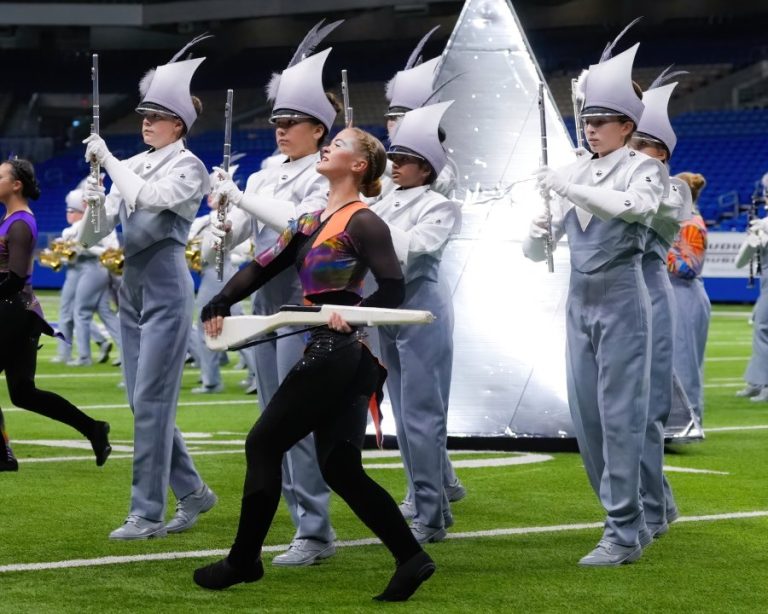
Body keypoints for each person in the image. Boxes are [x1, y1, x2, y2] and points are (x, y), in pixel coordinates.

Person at [193, 127, 436, 602]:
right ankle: (412, 558)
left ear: (360, 165)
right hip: (333, 352)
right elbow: (264, 265)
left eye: (339, 144)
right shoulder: (308, 220)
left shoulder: (365, 221)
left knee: (263, 442)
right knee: (340, 468)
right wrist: (220, 301)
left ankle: (244, 560)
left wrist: (357, 314)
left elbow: (393, 288)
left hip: (338, 352)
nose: (329, 147)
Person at [524, 43, 667, 566]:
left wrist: (568, 186)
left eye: (604, 120)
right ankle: (625, 517)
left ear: (628, 125)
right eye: (587, 119)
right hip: (579, 301)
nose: (592, 128)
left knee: (621, 416)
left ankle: (624, 529)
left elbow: (630, 210)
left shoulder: (644, 171)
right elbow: (535, 250)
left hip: (623, 298)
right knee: (586, 419)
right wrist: (538, 233)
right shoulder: (575, 171)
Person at [209, 26, 340, 566]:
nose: (281, 131)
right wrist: (220, 223)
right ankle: (294, 521)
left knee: (297, 422)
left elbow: (300, 229)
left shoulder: (324, 176)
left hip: (305, 305)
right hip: (265, 306)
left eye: (291, 124)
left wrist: (242, 198)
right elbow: (248, 231)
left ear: (318, 129)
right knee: (268, 420)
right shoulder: (264, 173)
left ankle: (316, 529)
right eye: (277, 123)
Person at [79, 39, 216, 539]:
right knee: (143, 402)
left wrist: (110, 162)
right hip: (130, 288)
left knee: (152, 402)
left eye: (156, 115)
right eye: (144, 114)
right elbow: (96, 234)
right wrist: (96, 200)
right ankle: (195, 492)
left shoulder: (190, 167)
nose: (146, 121)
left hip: (165, 286)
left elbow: (149, 199)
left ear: (178, 124)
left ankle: (147, 511)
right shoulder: (133, 163)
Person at [369, 101, 461, 543]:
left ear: (427, 169)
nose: (396, 166)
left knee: (423, 417)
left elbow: (415, 247)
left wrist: (365, 216)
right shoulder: (383, 201)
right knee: (402, 417)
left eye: (406, 161)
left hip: (422, 309)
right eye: (394, 158)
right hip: (387, 310)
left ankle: (430, 512)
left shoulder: (440, 205)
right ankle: (433, 506)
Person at [0, 158, 111, 472]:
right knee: (23, 393)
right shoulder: (10, 219)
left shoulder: (20, 222)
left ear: (16, 184)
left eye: (0, 176)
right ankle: (93, 428)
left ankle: (2, 454)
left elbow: (16, 279)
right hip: (19, 312)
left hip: (13, 312)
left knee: (23, 392)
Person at [627, 73, 691, 537]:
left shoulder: (673, 188)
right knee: (622, 412)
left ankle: (653, 505)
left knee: (645, 412)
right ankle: (658, 500)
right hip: (616, 298)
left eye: (641, 143)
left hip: (649, 293)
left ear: (662, 152)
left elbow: (643, 212)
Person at [53, 188, 117, 366]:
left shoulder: (99, 224)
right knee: (87, 312)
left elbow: (110, 250)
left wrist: (83, 247)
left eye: (72, 211)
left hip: (95, 268)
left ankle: (84, 356)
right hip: (78, 268)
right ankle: (66, 352)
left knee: (80, 312)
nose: (69, 214)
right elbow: (70, 254)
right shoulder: (70, 230)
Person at [668, 172, 710, 420]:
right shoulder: (676, 221)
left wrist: (661, 247)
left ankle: (690, 419)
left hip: (685, 295)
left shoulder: (692, 224)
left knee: (685, 362)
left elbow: (689, 268)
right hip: (673, 293)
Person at [734, 188, 768, 402]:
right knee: (760, 328)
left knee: (763, 328)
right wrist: (753, 241)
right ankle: (757, 380)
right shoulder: (763, 223)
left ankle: (765, 384)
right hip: (765, 283)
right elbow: (741, 261)